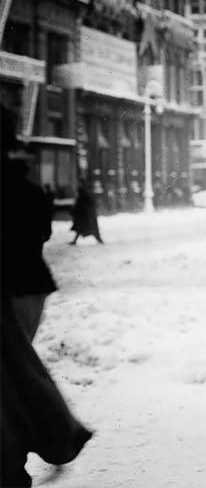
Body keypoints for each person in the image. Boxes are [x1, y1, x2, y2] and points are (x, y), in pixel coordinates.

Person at [1, 105, 93, 486]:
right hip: (26, 289)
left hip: (13, 290)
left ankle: (25, 453)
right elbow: (40, 234)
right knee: (15, 372)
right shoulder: (28, 189)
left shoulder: (15, 191)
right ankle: (51, 439)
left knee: (13, 373)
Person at [70, 179, 103, 245]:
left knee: (87, 228)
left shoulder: (83, 191)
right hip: (85, 214)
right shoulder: (82, 191)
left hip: (86, 215)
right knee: (83, 228)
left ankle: (99, 239)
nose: (77, 184)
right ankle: (98, 239)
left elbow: (85, 203)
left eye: (78, 183)